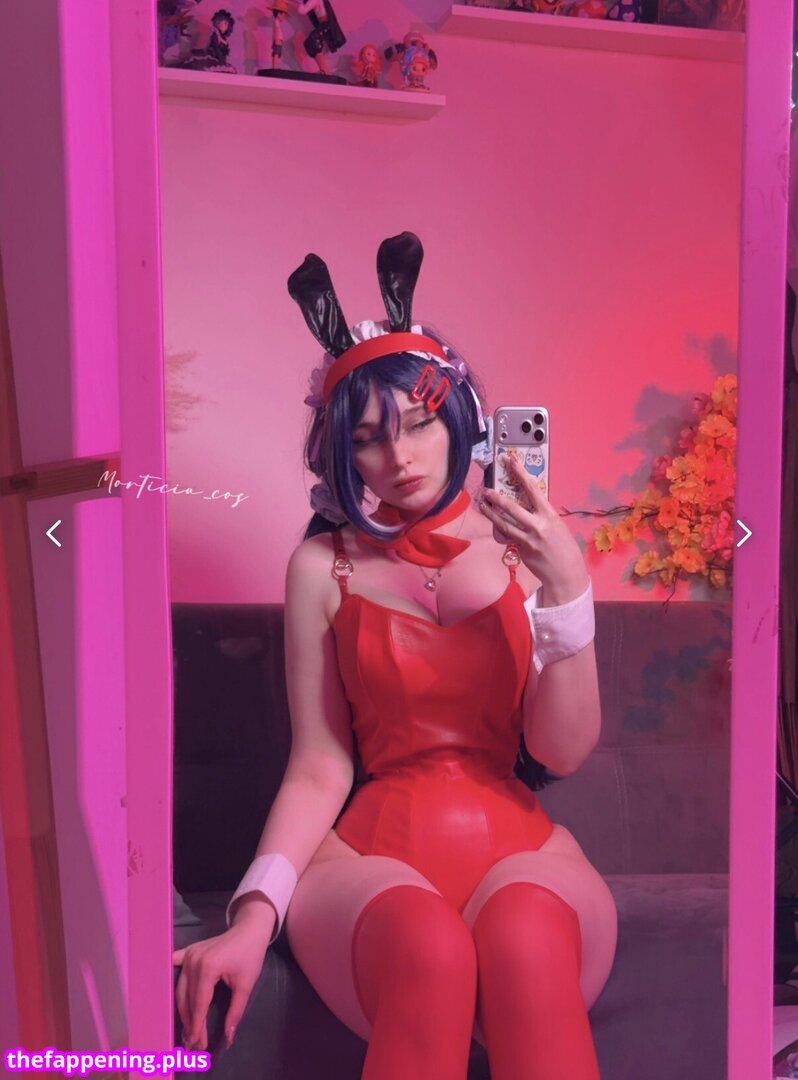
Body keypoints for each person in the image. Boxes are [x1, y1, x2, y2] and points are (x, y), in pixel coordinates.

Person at [173, 231, 618, 1079]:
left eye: (418, 424)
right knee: (428, 949)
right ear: (342, 452)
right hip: (369, 864)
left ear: (459, 420)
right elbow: (319, 767)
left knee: (525, 940)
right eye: (370, 439)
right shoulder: (322, 566)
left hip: (521, 853)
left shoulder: (531, 551)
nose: (400, 458)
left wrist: (567, 582)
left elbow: (560, 751)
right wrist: (253, 915)